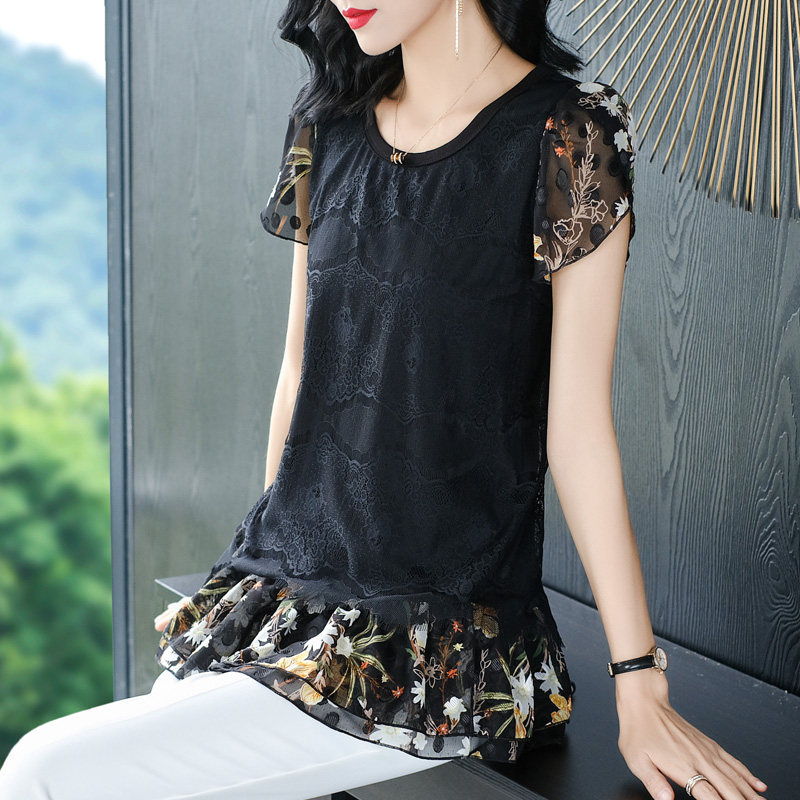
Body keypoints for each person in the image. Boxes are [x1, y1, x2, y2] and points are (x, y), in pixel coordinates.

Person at [0, 1, 769, 799]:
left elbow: (577, 430)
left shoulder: (568, 133)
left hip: (444, 640)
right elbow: (299, 371)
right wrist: (266, 586)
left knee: (41, 773)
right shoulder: (325, 123)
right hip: (299, 603)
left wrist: (640, 683)